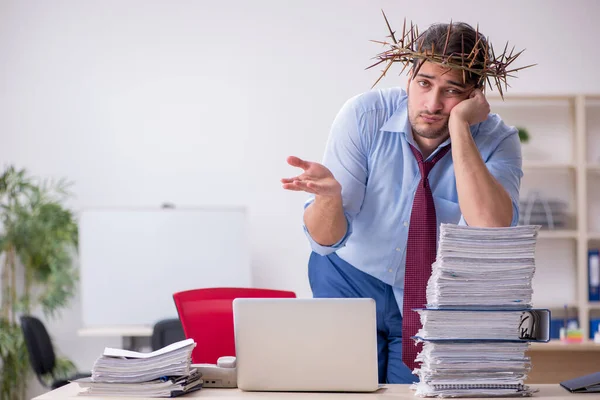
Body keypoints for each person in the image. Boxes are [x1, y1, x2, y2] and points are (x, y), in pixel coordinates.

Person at [281, 20, 524, 384]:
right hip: (348, 277)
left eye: (452, 91)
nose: (433, 103)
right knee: (338, 389)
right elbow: (325, 240)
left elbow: (490, 229)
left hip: (431, 296)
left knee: (415, 392)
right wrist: (329, 200)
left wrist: (460, 128)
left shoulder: (498, 141)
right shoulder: (364, 116)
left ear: (475, 95)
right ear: (409, 78)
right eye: (424, 83)